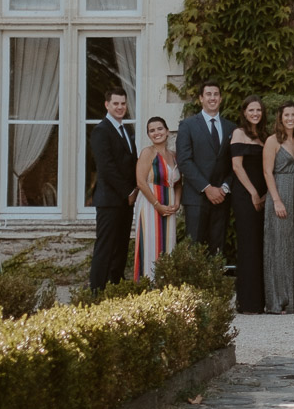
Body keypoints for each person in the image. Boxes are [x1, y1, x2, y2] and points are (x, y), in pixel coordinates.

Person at [89, 88, 137, 289]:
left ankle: (115, 286)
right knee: (106, 247)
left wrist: (136, 188)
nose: (120, 107)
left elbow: (130, 163)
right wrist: (128, 192)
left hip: (126, 201)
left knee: (121, 247)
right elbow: (106, 167)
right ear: (107, 105)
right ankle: (96, 291)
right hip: (109, 200)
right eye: (115, 103)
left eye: (123, 103)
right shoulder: (101, 131)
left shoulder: (126, 130)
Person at [176, 81, 231, 252]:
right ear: (201, 98)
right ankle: (192, 281)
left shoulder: (231, 127)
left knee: (217, 250)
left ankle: (216, 280)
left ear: (220, 99)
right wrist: (207, 188)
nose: (212, 98)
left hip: (221, 198)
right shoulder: (188, 125)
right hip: (196, 198)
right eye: (208, 94)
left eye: (216, 94)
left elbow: (234, 164)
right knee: (194, 249)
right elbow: (184, 160)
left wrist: (224, 187)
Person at [263, 101, 294, 313]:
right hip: (280, 193)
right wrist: (277, 199)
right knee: (278, 248)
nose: (290, 118)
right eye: (286, 115)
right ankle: (277, 301)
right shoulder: (273, 141)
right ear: (280, 118)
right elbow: (267, 172)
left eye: (293, 115)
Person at [229, 96, 267, 313]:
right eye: (251, 110)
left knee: (261, 245)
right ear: (244, 112)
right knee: (248, 245)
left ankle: (260, 299)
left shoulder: (263, 136)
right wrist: (253, 192)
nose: (255, 113)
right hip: (245, 195)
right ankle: (247, 301)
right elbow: (237, 167)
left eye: (258, 110)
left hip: (262, 196)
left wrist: (264, 195)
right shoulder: (238, 133)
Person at [132, 116, 180, 280]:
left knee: (168, 246)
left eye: (159, 129)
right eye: (152, 130)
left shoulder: (174, 155)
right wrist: (157, 204)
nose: (156, 133)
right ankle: (147, 286)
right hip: (150, 206)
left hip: (169, 208)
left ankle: (165, 288)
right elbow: (140, 181)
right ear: (148, 135)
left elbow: (179, 183)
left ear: (167, 131)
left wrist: (177, 202)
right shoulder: (148, 153)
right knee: (150, 246)